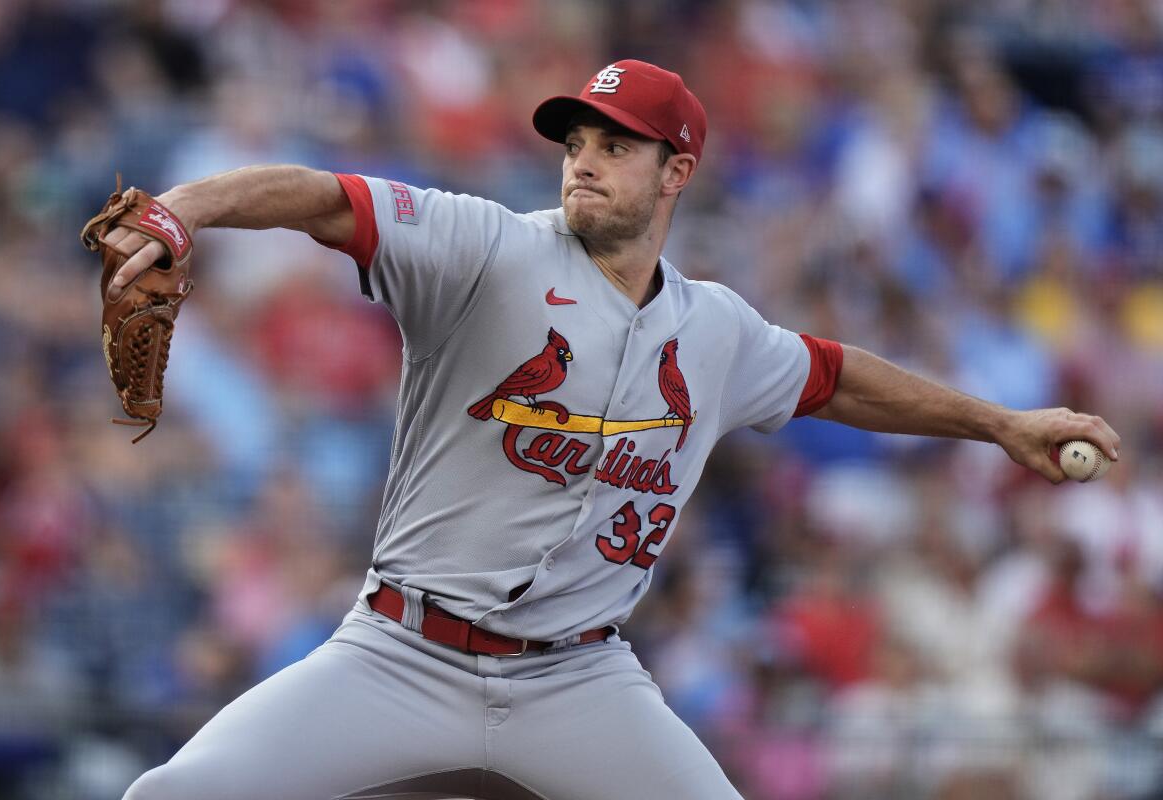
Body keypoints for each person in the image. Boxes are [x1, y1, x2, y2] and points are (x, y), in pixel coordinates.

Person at [102, 60, 1119, 800]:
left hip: (577, 674)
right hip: (402, 652)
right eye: (577, 142)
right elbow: (322, 198)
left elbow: (836, 376)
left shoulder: (715, 329)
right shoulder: (483, 246)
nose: (584, 162)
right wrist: (183, 213)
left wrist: (1000, 422)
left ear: (676, 172)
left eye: (616, 145)